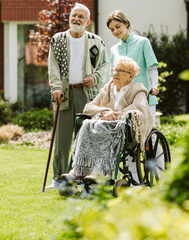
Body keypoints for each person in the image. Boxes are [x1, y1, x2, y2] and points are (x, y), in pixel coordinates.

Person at [46, 3, 110, 189]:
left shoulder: (95, 40)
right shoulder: (57, 40)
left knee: (86, 137)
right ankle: (58, 178)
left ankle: (82, 177)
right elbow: (53, 67)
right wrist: (56, 87)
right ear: (69, 17)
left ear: (87, 21)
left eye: (81, 16)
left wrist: (95, 77)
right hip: (63, 95)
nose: (76, 19)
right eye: (74, 15)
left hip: (87, 96)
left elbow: (105, 65)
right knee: (62, 139)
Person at [60, 56, 152, 182]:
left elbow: (139, 109)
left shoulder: (138, 90)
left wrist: (116, 116)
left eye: (120, 71)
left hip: (123, 129)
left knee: (105, 127)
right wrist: (104, 111)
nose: (115, 73)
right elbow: (88, 107)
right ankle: (77, 170)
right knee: (87, 124)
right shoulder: (107, 89)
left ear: (130, 76)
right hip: (103, 124)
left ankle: (98, 171)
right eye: (115, 69)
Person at [107, 10, 159, 126]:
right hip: (124, 100)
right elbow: (113, 76)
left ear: (126, 23)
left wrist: (154, 86)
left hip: (144, 96)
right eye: (112, 29)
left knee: (149, 134)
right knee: (128, 137)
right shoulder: (114, 49)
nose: (115, 31)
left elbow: (152, 68)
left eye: (117, 26)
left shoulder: (143, 42)